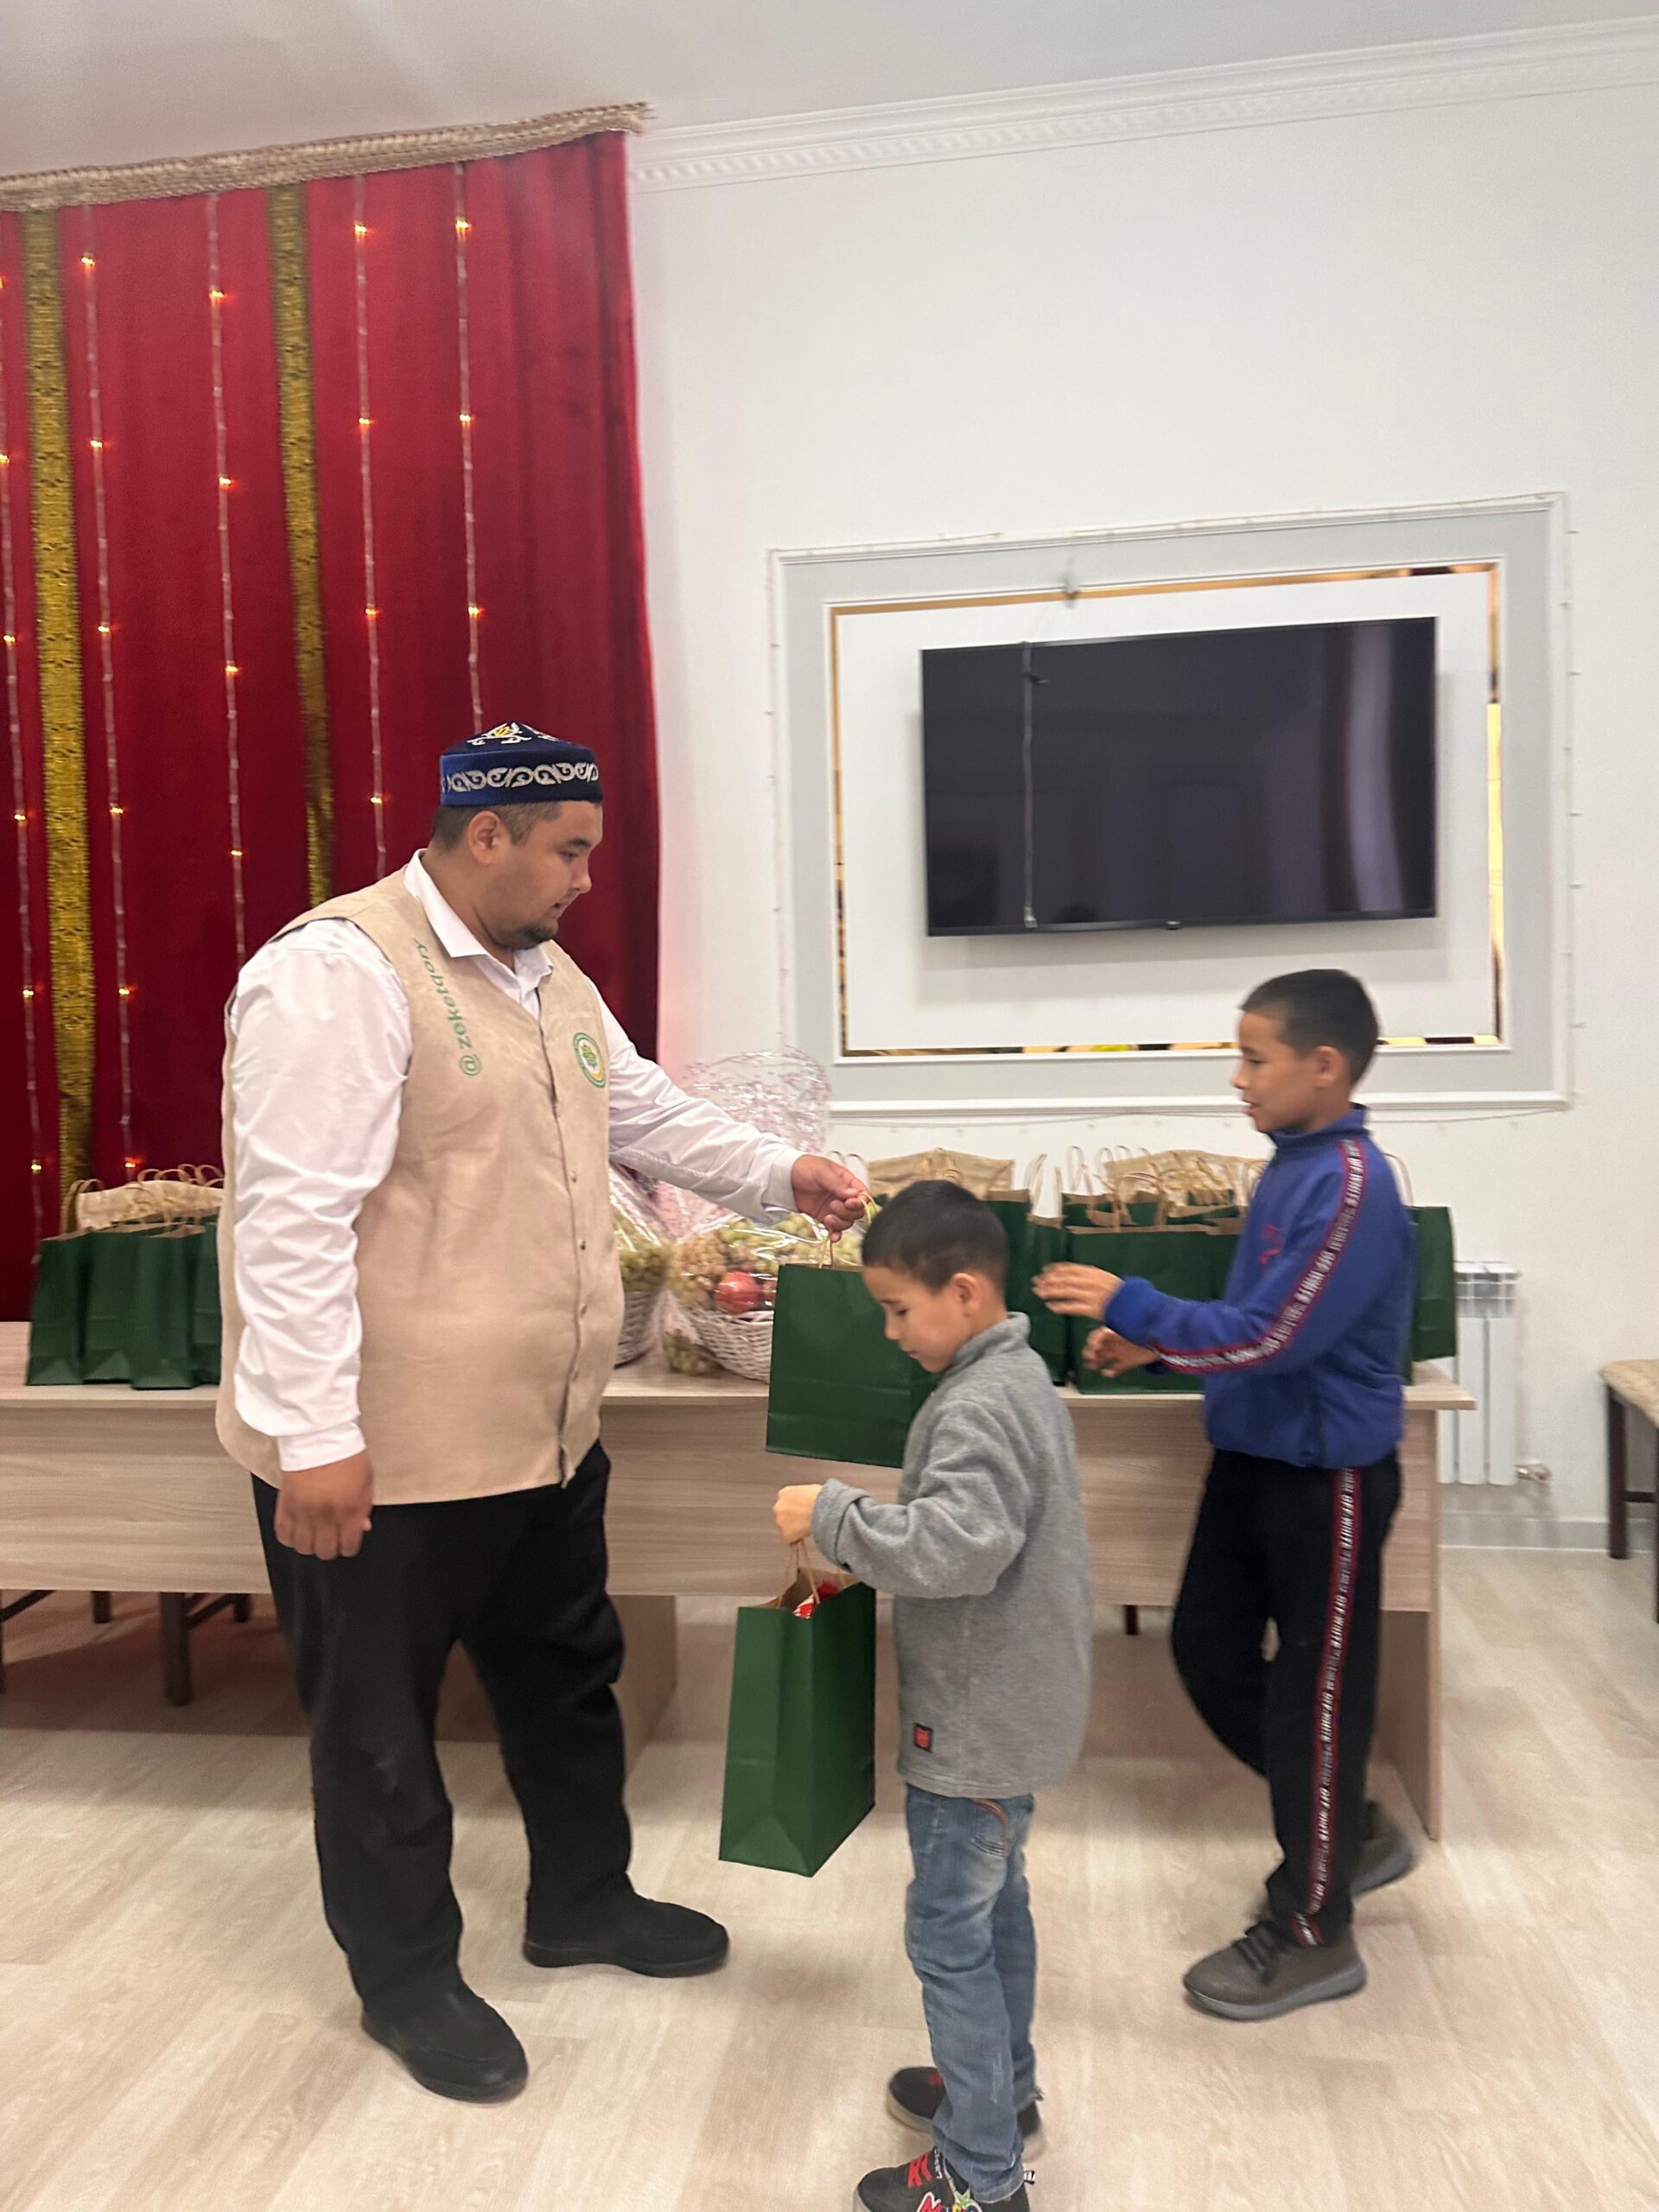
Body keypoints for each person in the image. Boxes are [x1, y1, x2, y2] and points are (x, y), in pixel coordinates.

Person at [218, 721, 865, 2103]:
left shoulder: (547, 975)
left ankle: (583, 1901)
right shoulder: (337, 971)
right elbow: (288, 1223)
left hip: (545, 1432)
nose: (583, 878)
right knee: (380, 1731)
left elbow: (644, 1113)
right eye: (568, 850)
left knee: (567, 1680)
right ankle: (407, 1980)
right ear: (485, 834)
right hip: (385, 1454)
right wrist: (313, 1439)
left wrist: (780, 1173)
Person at [1038, 969, 1416, 2023]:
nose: (1238, 1078)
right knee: (1206, 1650)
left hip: (1328, 1479)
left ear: (1324, 1066)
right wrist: (1154, 1347)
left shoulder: (1351, 1186)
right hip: (1253, 1458)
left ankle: (1313, 1931)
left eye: (1255, 1058)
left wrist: (1133, 1302)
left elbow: (1276, 1335)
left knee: (1314, 1702)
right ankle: (1345, 1824)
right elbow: (1256, 1323)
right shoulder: (1294, 1169)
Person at [774, 1181, 1092, 2212]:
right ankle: (1002, 2092)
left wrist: (832, 1515)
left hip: (972, 1722)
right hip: (1011, 1708)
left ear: (964, 1291)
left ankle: (980, 2176)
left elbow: (956, 1550)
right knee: (999, 1912)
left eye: (898, 1309)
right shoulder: (1017, 1374)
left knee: (950, 1938)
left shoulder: (977, 1403)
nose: (890, 1331)